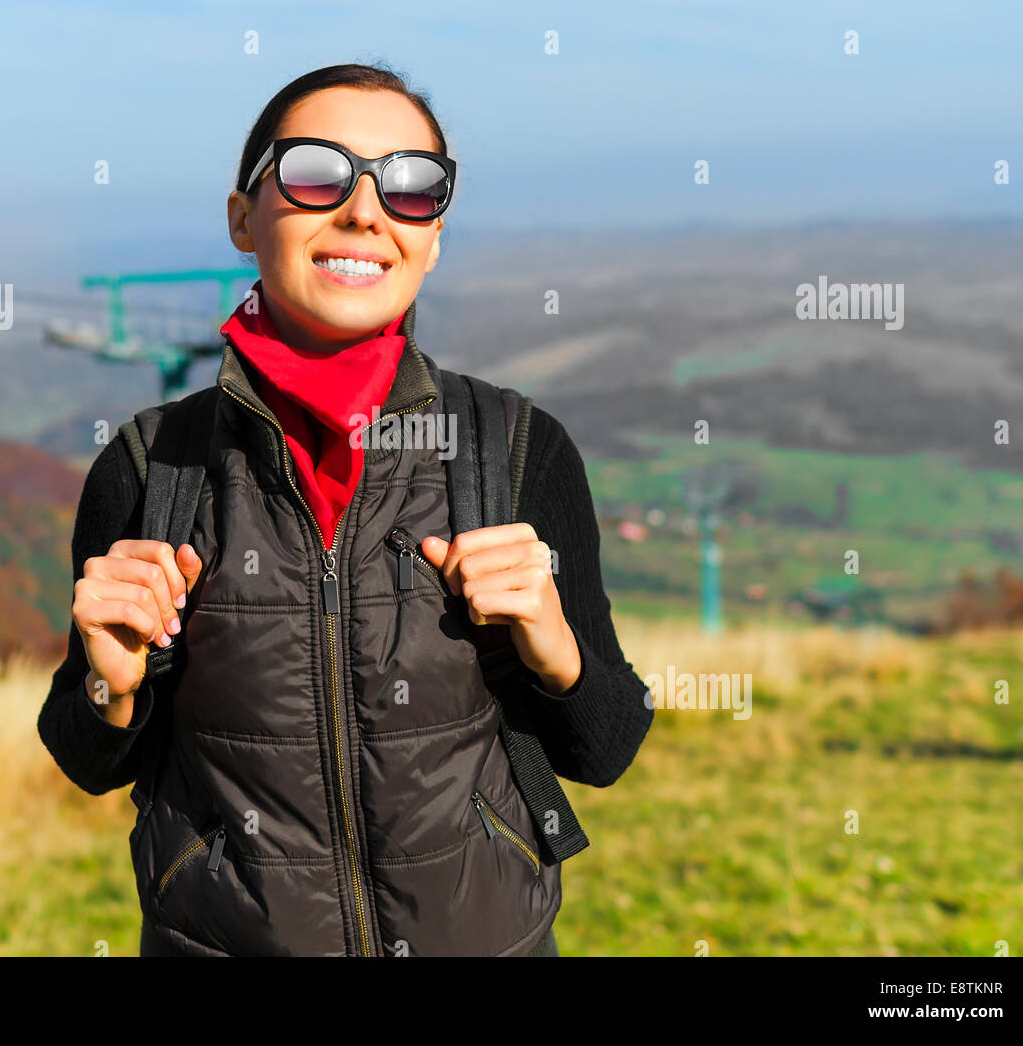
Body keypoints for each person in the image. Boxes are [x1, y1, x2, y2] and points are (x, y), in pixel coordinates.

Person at [38, 62, 653, 956]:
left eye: (411, 186)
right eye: (317, 173)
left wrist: (556, 647)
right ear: (243, 217)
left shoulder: (515, 447)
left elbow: (606, 747)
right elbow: (88, 756)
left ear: (433, 238)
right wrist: (111, 683)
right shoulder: (149, 467)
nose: (366, 210)